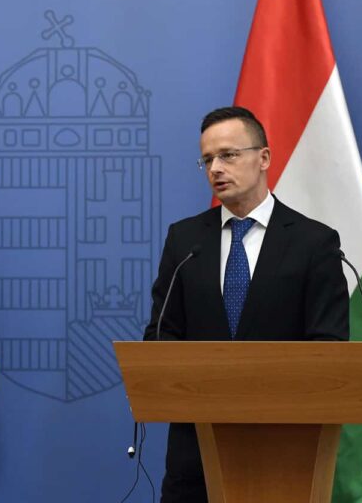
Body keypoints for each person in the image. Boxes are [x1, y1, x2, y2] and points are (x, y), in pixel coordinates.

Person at [143, 107, 349, 502]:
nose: (215, 169)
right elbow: (161, 336)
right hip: (196, 454)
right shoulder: (185, 240)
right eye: (207, 160)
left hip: (285, 450)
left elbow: (329, 347)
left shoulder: (314, 242)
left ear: (264, 158)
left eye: (228, 155)